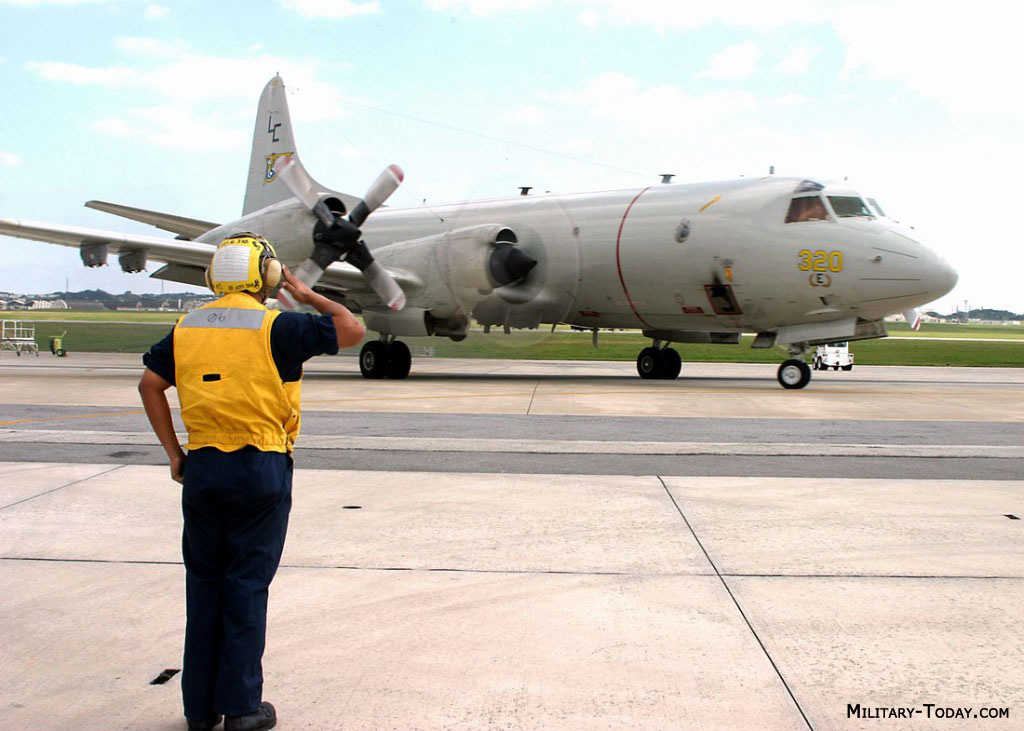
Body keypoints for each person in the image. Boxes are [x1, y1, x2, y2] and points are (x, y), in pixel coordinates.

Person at [138, 233, 365, 731]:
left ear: (213, 276)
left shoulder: (185, 328)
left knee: (204, 586)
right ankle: (241, 707)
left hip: (203, 466)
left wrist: (175, 454)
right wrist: (307, 295)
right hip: (259, 466)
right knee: (245, 585)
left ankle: (199, 710)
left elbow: (150, 385)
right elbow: (350, 330)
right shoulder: (278, 327)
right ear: (266, 274)